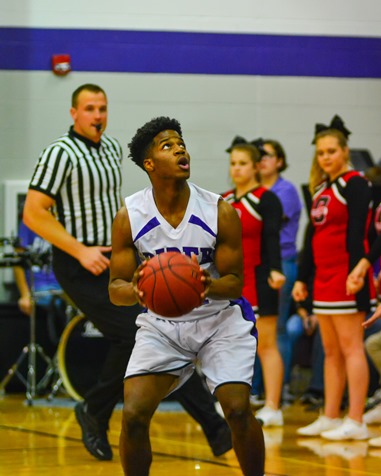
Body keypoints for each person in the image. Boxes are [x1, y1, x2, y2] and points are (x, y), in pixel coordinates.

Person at [22, 84, 233, 461]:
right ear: (74, 113)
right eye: (89, 108)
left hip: (117, 260)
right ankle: (209, 427)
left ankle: (212, 429)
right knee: (139, 336)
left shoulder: (112, 148)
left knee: (162, 332)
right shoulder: (59, 152)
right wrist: (80, 250)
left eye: (102, 107)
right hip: (79, 262)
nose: (97, 115)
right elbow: (34, 213)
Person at [109, 117, 265, 476]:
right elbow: (115, 290)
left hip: (218, 322)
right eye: (167, 146)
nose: (180, 148)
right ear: (149, 164)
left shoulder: (219, 210)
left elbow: (236, 282)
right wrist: (138, 290)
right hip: (162, 326)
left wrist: (203, 286)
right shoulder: (129, 216)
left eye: (180, 143)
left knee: (238, 410)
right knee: (133, 415)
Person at [293, 114, 376, 441]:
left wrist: (361, 267)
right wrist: (302, 278)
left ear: (345, 151)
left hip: (348, 277)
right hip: (323, 279)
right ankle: (330, 415)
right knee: (329, 351)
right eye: (321, 152)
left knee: (351, 347)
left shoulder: (356, 183)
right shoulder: (321, 188)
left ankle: (355, 419)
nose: (326, 157)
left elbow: (363, 231)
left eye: (331, 151)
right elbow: (310, 238)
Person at [222, 138, 285, 427]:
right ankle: (233, 404)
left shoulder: (266, 199)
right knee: (228, 346)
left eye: (242, 163)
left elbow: (272, 237)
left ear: (256, 167)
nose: (236, 169)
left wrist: (275, 270)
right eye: (233, 163)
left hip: (260, 281)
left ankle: (273, 406)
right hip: (230, 283)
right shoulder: (223, 201)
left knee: (266, 345)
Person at [255, 137, 302, 403]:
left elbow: (264, 222)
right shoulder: (255, 190)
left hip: (282, 262)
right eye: (258, 155)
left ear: (280, 161)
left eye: (268, 155)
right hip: (258, 264)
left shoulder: (286, 191)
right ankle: (257, 389)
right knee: (258, 330)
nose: (262, 159)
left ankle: (277, 390)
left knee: (279, 329)